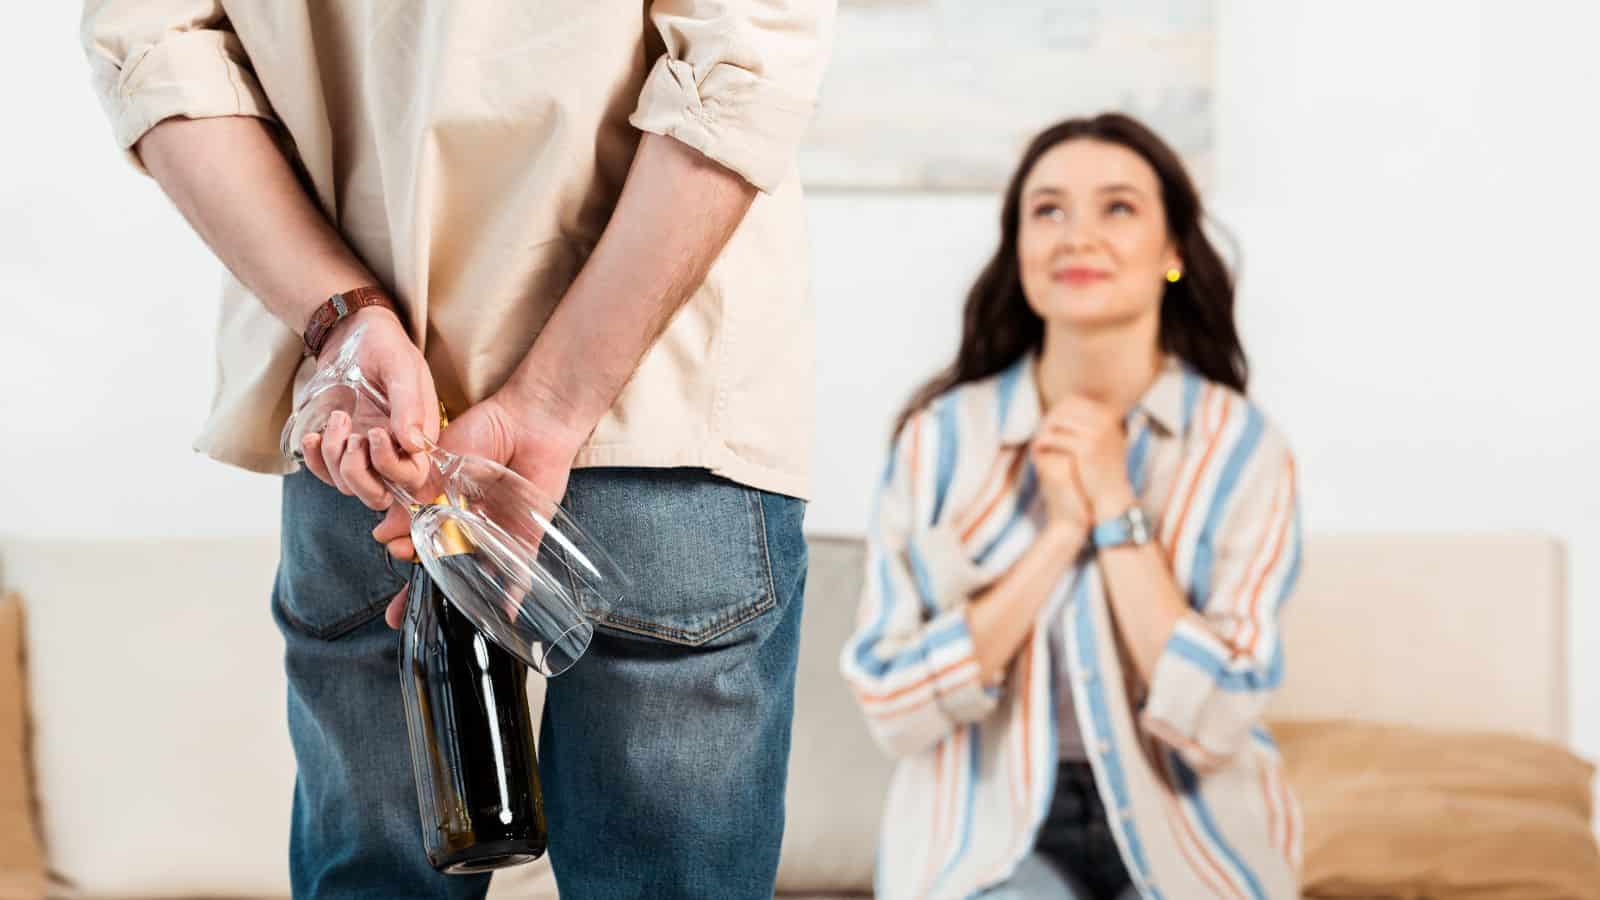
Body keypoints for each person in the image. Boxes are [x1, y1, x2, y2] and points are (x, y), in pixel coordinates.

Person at [81, 2, 833, 897]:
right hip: (660, 406)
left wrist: (343, 320)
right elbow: (745, 61)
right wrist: (551, 404)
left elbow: (151, 45)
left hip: (374, 430)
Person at [840, 114, 1304, 900]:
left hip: (1195, 837)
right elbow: (892, 704)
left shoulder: (1241, 447)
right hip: (980, 838)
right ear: (1018, 248)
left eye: (1118, 208)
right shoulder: (941, 440)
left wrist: (1116, 503)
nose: (1076, 235)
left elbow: (1222, 715)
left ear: (1173, 252)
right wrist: (1060, 534)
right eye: (1047, 210)